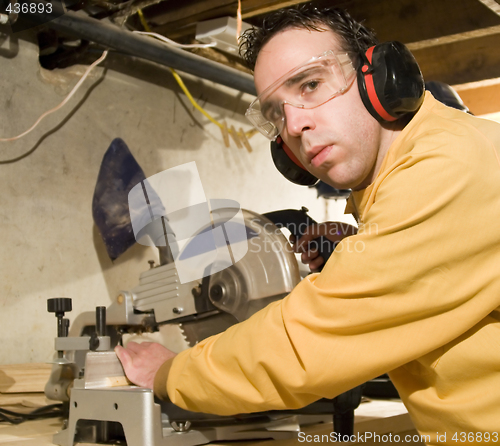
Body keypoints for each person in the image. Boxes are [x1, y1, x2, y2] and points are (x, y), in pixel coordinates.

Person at [115, 4, 500, 442]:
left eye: (311, 84)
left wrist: (169, 373)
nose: (295, 124)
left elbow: (306, 346)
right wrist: (359, 245)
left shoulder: (448, 165)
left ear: (378, 78)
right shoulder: (413, 170)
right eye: (277, 112)